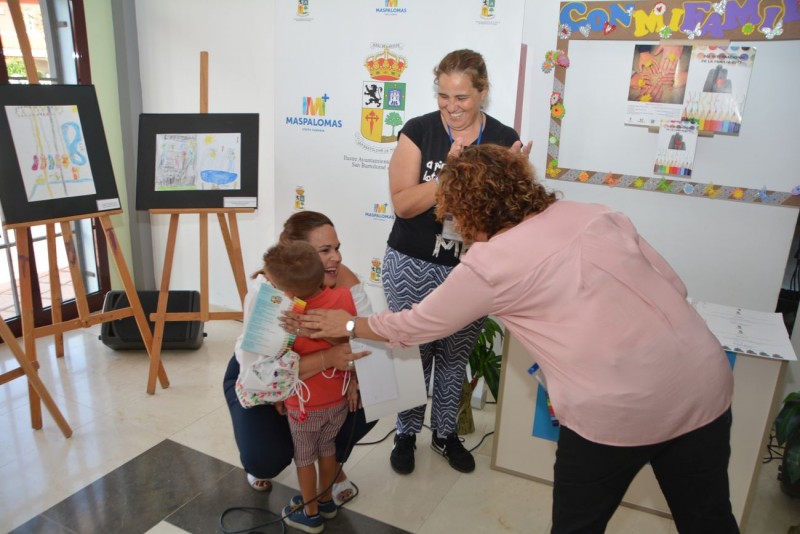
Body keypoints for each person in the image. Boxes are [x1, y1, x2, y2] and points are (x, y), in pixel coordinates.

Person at [295, 144, 739, 534]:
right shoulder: (594, 213)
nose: (452, 223)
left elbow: (413, 327)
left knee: (577, 526)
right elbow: (673, 286)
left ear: (468, 209)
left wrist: (347, 325)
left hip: (616, 409)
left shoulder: (491, 263)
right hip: (704, 381)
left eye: (452, 212)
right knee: (708, 518)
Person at [383, 48, 532, 475]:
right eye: (444, 96)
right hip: (412, 262)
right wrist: (447, 175)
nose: (452, 108)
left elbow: (509, 224)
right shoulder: (419, 131)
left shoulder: (503, 139)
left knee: (453, 357)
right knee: (412, 356)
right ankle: (406, 434)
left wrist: (515, 183)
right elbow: (404, 204)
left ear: (482, 93)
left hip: (471, 269)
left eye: (462, 97)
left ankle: (445, 435)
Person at [222, 211, 375, 506]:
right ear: (296, 255)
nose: (337, 258)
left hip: (316, 387)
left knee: (370, 399)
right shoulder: (268, 294)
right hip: (262, 381)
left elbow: (365, 341)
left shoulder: (347, 286)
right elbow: (259, 376)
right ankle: (293, 452)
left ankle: (328, 469)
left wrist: (355, 372)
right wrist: (329, 357)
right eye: (325, 250)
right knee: (264, 460)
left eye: (337, 248)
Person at [262, 241, 358, 533]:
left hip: (304, 406)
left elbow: (279, 362)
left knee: (304, 457)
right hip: (338, 400)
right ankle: (326, 501)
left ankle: (310, 512)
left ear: (287, 291)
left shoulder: (287, 315)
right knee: (328, 449)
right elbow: (351, 339)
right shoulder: (343, 298)